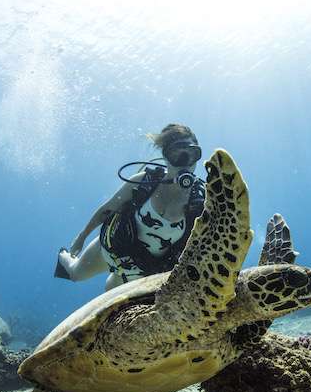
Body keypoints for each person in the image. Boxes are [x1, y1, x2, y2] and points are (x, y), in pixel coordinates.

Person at [55, 124, 206, 291]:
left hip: (138, 272)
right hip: (111, 249)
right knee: (75, 274)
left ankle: (115, 276)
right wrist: (81, 237)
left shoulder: (200, 203)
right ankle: (64, 256)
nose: (185, 163)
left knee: (111, 297)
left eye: (192, 154)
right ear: (165, 156)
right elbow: (107, 209)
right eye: (177, 155)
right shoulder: (145, 181)